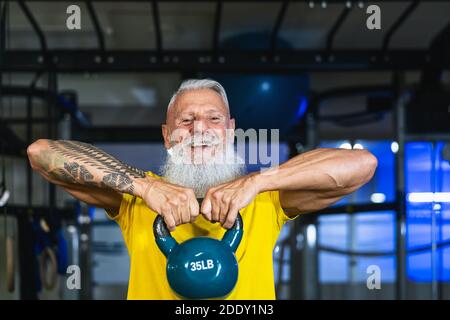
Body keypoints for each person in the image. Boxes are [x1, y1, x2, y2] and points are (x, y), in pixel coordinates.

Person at [27, 79, 378, 299]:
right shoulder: (135, 199)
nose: (200, 130)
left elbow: (363, 164)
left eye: (214, 119)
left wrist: (258, 180)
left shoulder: (266, 197)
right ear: (168, 136)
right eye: (186, 120)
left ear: (230, 130)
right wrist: (145, 186)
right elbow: (40, 153)